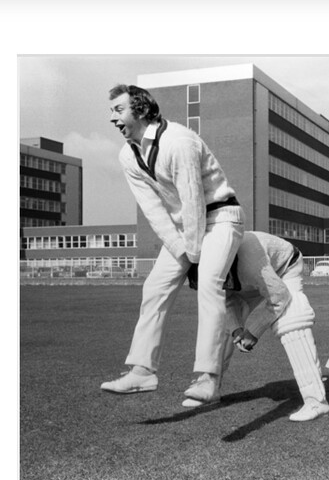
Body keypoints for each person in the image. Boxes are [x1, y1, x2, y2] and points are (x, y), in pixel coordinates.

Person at [100, 84, 245, 400]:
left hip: (221, 217)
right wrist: (184, 251)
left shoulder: (177, 141)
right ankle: (142, 371)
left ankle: (208, 378)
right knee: (153, 287)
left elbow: (193, 200)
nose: (112, 118)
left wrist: (193, 257)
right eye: (111, 111)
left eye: (118, 110)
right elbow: (154, 210)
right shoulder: (128, 155)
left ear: (140, 109)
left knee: (208, 285)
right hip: (184, 228)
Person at [181, 231, 329, 422]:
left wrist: (253, 331)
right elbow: (225, 300)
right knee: (220, 324)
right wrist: (237, 330)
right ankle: (210, 386)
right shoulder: (208, 262)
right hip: (244, 281)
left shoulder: (250, 260)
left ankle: (316, 401)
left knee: (292, 321)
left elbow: (279, 297)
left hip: (284, 268)